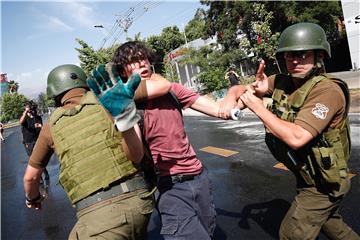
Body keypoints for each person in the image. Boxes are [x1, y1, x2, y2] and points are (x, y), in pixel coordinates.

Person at [224, 22, 359, 239]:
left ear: (319, 56)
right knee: (335, 228)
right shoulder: (283, 81)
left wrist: (257, 106)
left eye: (302, 54)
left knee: (291, 234)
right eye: (288, 55)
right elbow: (248, 89)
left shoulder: (327, 91)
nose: (294, 60)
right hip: (307, 176)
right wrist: (234, 95)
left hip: (324, 184)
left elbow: (297, 137)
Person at [87, 41, 234, 240]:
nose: (141, 64)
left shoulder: (172, 90)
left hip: (200, 178)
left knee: (208, 231)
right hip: (169, 186)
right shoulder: (126, 104)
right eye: (133, 61)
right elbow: (136, 155)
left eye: (143, 58)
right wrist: (124, 118)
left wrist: (236, 91)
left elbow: (219, 110)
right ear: (122, 72)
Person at [23, 64, 164, 240]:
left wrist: (33, 198)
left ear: (54, 94)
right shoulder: (109, 96)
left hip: (101, 215)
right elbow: (162, 86)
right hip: (140, 199)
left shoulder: (50, 126)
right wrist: (149, 68)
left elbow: (30, 177)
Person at [20, 101, 49, 182]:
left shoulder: (38, 117)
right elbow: (21, 121)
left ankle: (45, 172)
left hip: (37, 140)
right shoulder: (25, 118)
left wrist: (40, 126)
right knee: (32, 160)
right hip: (28, 142)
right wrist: (25, 112)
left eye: (31, 108)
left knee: (39, 158)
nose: (30, 110)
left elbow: (42, 129)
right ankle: (39, 178)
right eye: (28, 108)